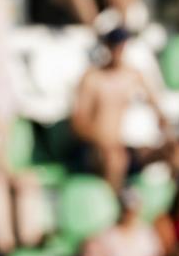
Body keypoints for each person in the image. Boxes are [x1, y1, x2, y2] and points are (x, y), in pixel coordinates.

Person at [69, 28, 168, 191]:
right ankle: (112, 207)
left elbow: (157, 106)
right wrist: (101, 140)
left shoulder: (132, 75)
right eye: (115, 46)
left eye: (121, 46)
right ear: (107, 47)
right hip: (94, 147)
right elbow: (78, 123)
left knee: (174, 152)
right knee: (115, 160)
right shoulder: (92, 78)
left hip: (120, 145)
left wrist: (162, 122)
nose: (118, 51)